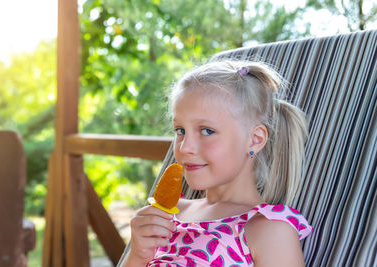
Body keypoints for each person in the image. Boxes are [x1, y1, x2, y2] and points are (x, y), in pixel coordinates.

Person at [120, 60, 313, 267]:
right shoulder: (168, 213)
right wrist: (138, 255)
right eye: (180, 130)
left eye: (207, 131)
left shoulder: (268, 229)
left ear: (255, 139)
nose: (185, 147)